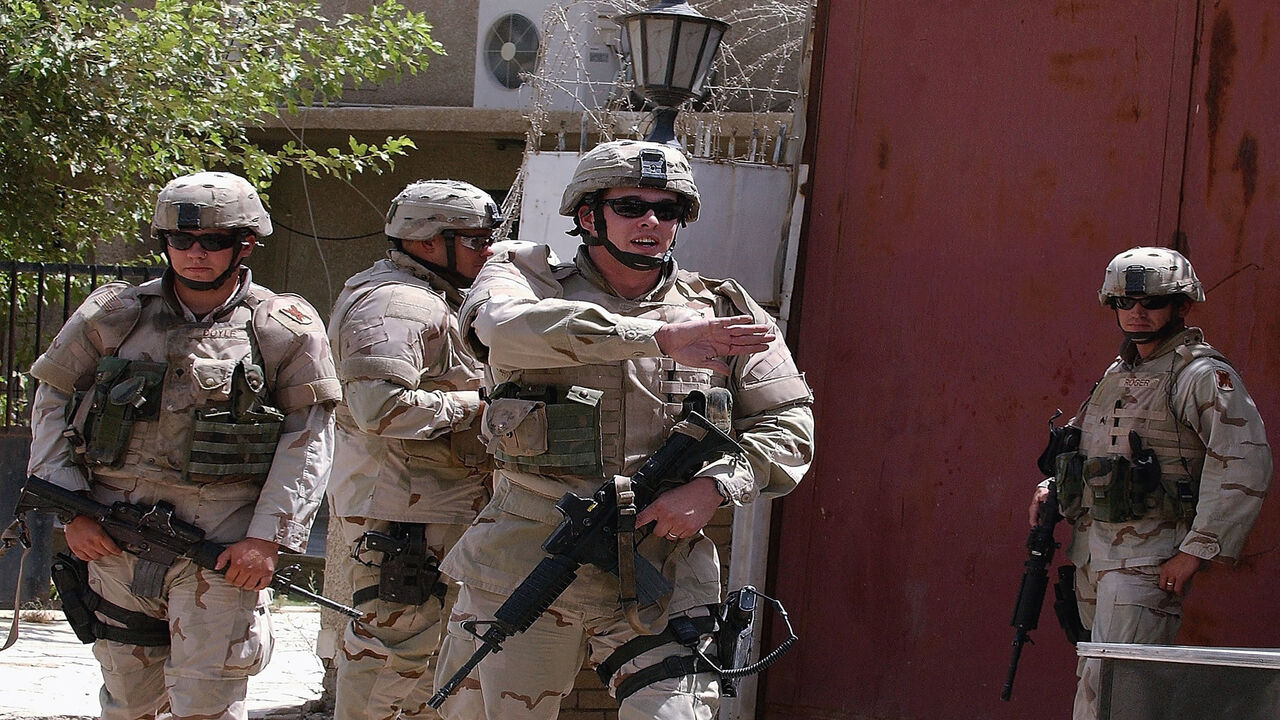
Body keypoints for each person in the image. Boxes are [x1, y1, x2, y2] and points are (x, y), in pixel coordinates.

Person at [433, 139, 816, 720]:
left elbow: (788, 425)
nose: (652, 222)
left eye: (668, 210)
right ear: (589, 216)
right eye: (632, 206)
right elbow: (500, 328)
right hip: (530, 558)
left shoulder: (721, 311)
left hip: (660, 567)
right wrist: (656, 337)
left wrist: (713, 487)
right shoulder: (524, 284)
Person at [26, 171, 340, 720]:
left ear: (244, 246)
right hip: (113, 539)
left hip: (219, 551)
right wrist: (71, 512)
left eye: (214, 241)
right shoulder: (113, 316)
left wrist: (268, 540)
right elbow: (51, 401)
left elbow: (308, 438)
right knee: (126, 705)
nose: (196, 253)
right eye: (181, 240)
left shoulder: (282, 327)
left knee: (207, 706)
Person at [1029, 246, 1271, 720]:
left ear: (1181, 306)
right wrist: (1049, 487)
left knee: (1125, 693)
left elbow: (1244, 463)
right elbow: (1087, 447)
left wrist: (1196, 551)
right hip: (1094, 554)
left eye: (1152, 303)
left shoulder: (1200, 374)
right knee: (1096, 685)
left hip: (1148, 558)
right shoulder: (1120, 373)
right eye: (1124, 303)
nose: (1137, 313)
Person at [326, 179, 500, 720]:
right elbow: (380, 408)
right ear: (428, 243)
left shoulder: (433, 298)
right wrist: (487, 405)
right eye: (474, 240)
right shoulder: (396, 303)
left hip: (438, 506)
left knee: (434, 663)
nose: (487, 252)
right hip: (407, 514)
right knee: (392, 653)